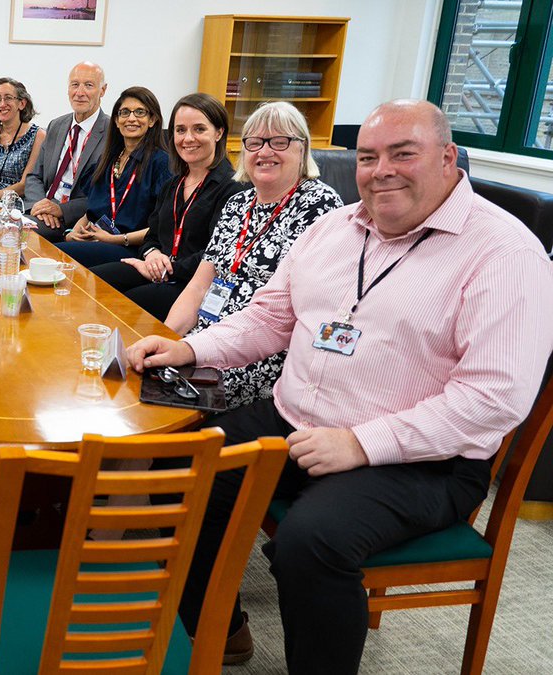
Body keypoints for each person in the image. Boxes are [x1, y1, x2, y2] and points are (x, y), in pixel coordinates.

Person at [126, 99, 553, 674]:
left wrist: (361, 443)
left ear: (450, 159)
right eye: (369, 156)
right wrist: (191, 347)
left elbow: (492, 399)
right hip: (296, 420)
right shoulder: (334, 229)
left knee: (311, 542)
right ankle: (215, 631)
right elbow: (269, 318)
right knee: (184, 465)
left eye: (404, 154)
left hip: (423, 461)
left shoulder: (504, 252)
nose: (383, 170)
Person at [160, 101, 342, 408]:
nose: (265, 152)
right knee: (143, 377)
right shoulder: (237, 204)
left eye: (280, 141)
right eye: (255, 142)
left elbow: (303, 313)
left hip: (258, 355)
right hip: (206, 338)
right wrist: (170, 339)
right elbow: (199, 286)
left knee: (163, 401)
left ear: (303, 148)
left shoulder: (320, 207)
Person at [91, 93, 243, 319]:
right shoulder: (173, 184)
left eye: (199, 129)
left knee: (121, 306)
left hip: (192, 283)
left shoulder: (233, 189)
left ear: (219, 133)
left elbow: (216, 254)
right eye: (180, 130)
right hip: (159, 270)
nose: (188, 138)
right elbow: (153, 234)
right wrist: (151, 254)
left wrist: (163, 268)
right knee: (92, 281)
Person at [53, 86, 172, 268]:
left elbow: (162, 226)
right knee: (49, 251)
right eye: (124, 112)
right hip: (99, 239)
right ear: (116, 121)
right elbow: (92, 211)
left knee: (56, 256)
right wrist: (72, 232)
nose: (131, 118)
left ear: (152, 120)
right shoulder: (109, 159)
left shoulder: (161, 162)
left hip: (131, 247)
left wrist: (115, 239)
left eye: (140, 112)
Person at [23, 61, 110, 243]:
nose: (80, 93)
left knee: (17, 234)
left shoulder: (112, 133)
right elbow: (34, 176)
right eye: (75, 85)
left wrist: (62, 210)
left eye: (89, 85)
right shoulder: (57, 125)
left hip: (79, 219)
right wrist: (40, 206)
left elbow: (106, 195)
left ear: (103, 90)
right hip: (43, 212)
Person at [0, 77, 46, 200]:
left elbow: (24, 185)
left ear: (22, 103)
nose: (2, 104)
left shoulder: (38, 136)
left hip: (17, 203)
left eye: (8, 98)